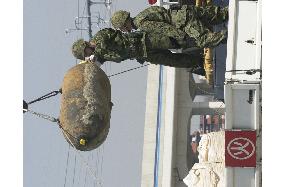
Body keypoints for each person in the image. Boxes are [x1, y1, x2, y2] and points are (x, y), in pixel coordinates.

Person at [72, 28, 205, 69]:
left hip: (146, 41)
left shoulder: (100, 36)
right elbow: (97, 65)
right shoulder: (100, 55)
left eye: (85, 52)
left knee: (177, 41)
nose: (88, 54)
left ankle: (205, 38)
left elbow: (104, 43)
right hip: (143, 54)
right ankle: (201, 61)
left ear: (86, 46)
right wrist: (90, 65)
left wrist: (96, 56)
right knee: (174, 61)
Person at [110, 5, 228, 49]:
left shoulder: (142, 24)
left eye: (122, 28)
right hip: (185, 12)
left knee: (203, 40)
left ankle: (226, 35)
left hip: (184, 22)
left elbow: (164, 28)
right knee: (217, 14)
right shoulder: (143, 13)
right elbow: (162, 11)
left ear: (125, 23)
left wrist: (183, 37)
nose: (123, 30)